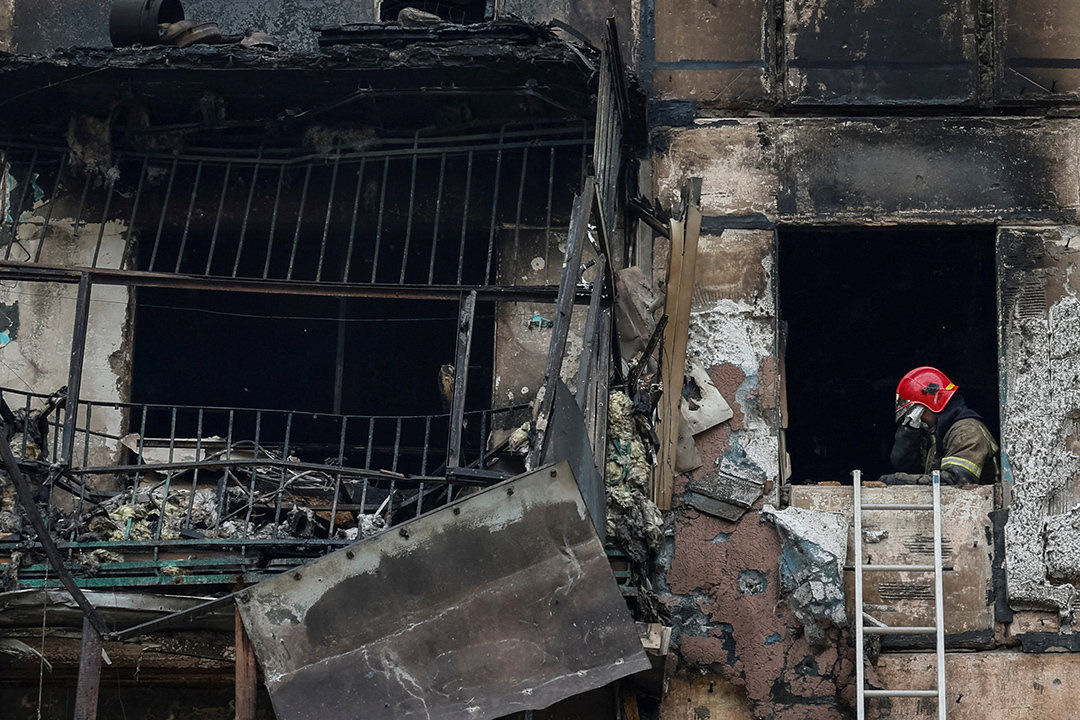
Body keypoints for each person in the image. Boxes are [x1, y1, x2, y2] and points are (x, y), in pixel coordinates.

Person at [879, 366, 1000, 486]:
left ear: (934, 404)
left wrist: (899, 480)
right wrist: (909, 431)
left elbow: (955, 480)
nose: (919, 420)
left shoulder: (967, 432)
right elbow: (905, 466)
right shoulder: (938, 435)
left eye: (917, 413)